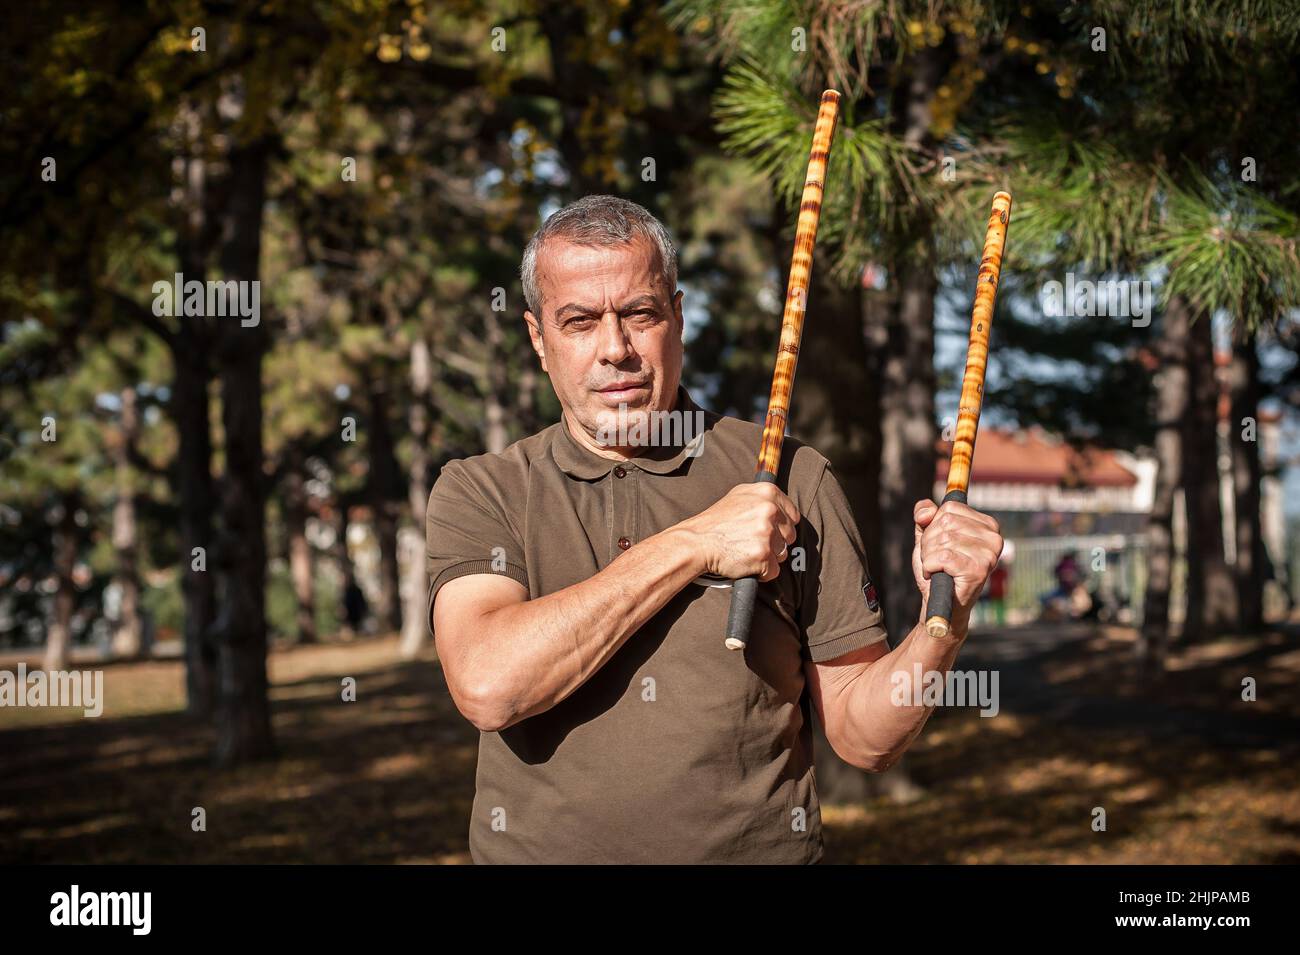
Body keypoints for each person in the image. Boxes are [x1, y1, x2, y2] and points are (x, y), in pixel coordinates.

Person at [425, 195, 1003, 864]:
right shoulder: (483, 489)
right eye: (579, 322)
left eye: (640, 314)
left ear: (677, 313)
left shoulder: (790, 473)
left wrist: (946, 620)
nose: (615, 349)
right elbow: (489, 685)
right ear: (538, 339)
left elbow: (864, 735)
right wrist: (696, 542)